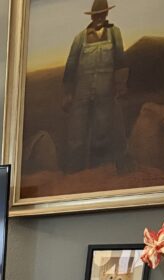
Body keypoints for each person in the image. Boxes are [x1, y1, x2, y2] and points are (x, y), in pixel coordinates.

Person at [62, 0, 129, 174]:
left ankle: (99, 171)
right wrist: (68, 93)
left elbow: (121, 61)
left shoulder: (114, 33)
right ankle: (74, 174)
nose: (99, 17)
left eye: (102, 14)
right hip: (81, 91)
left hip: (105, 91)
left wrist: (121, 85)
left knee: (102, 130)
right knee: (76, 133)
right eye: (96, 15)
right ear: (92, 16)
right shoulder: (80, 37)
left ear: (106, 14)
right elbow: (70, 66)